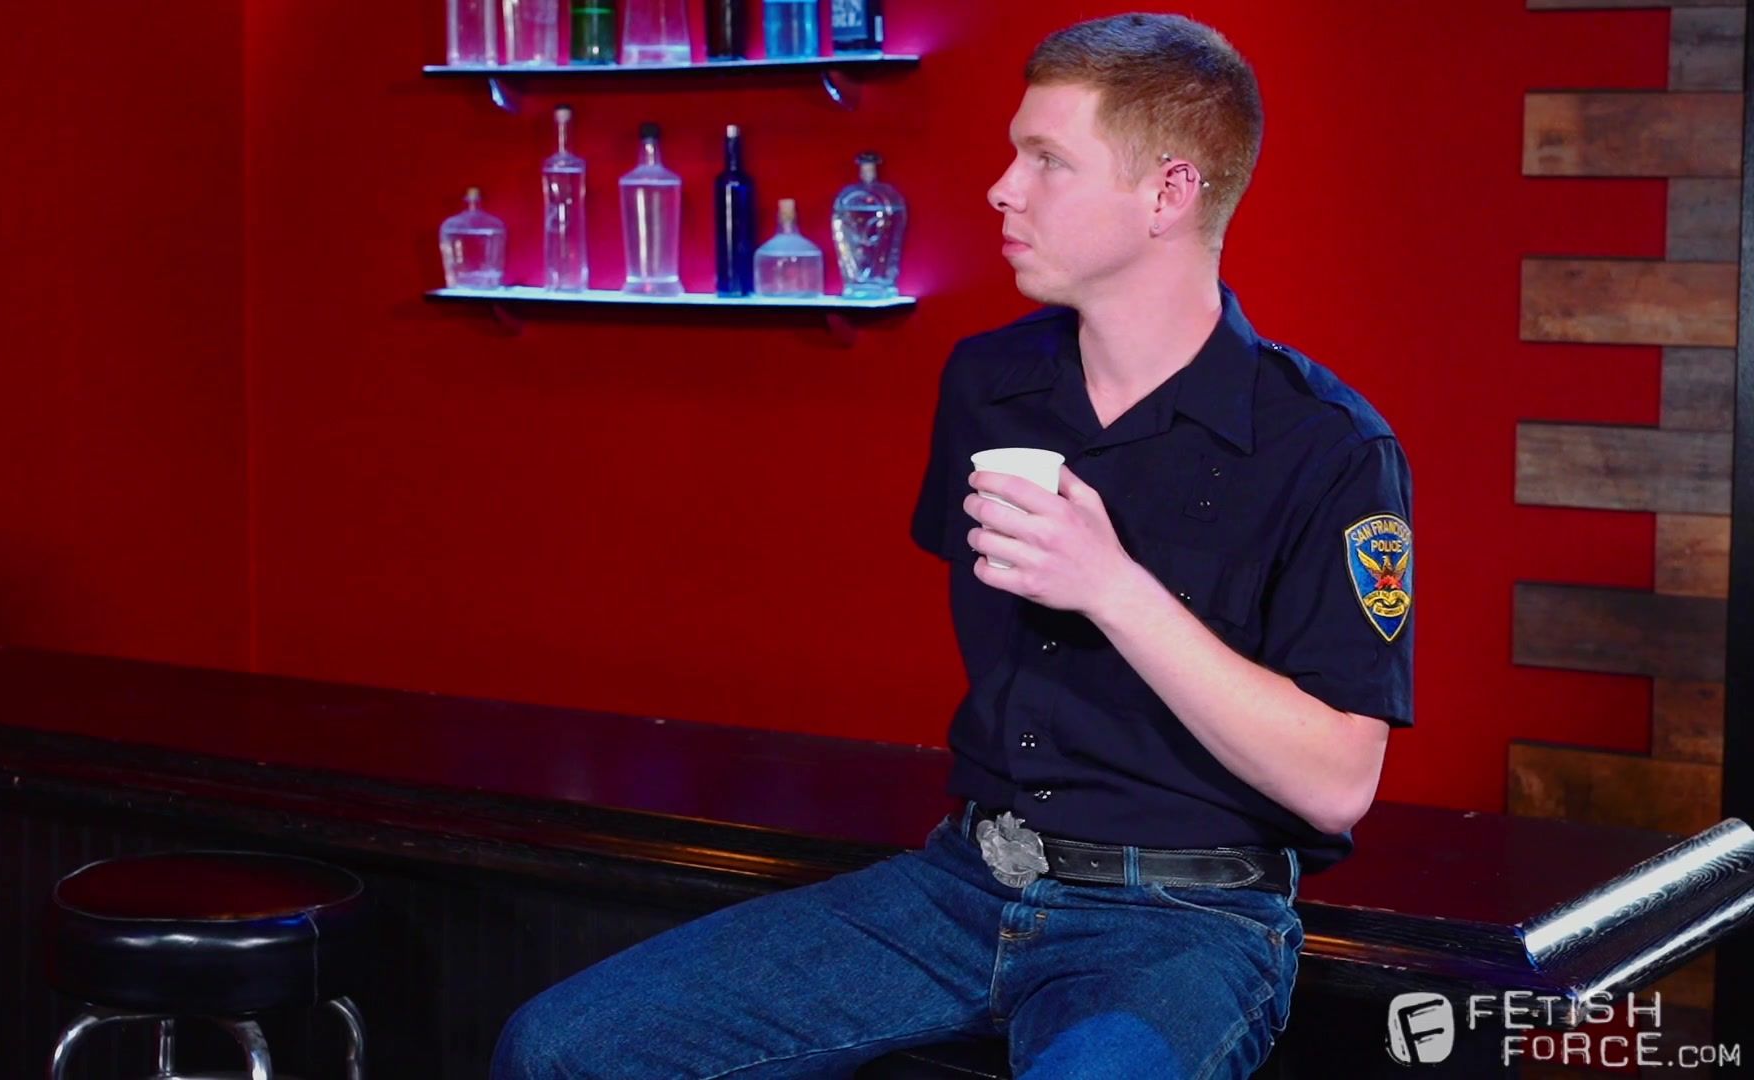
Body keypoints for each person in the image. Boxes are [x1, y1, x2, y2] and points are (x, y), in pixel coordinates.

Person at [491, 12, 1412, 1078]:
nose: (1002, 189)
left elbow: (1337, 783)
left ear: (1168, 194)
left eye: (1048, 160)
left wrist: (1112, 585)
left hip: (1182, 924)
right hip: (963, 885)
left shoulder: (1329, 447)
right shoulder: (988, 383)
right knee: (560, 1049)